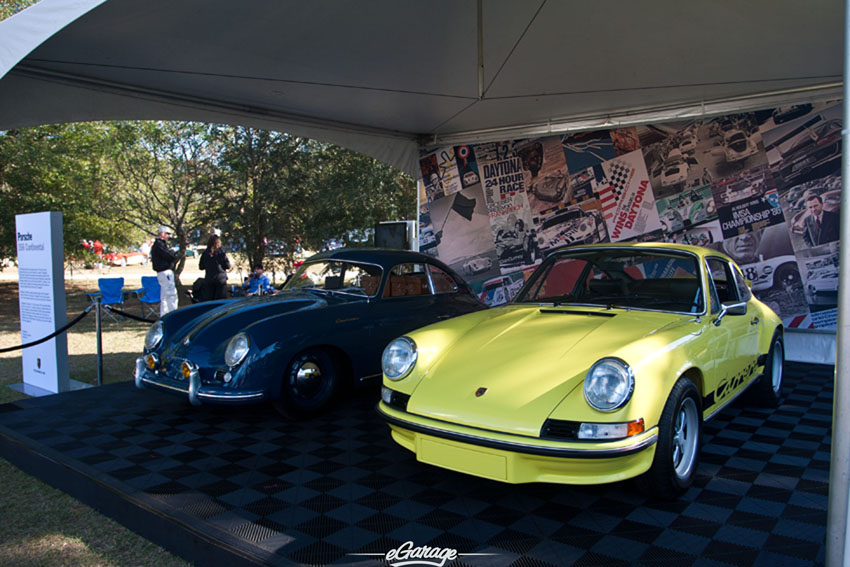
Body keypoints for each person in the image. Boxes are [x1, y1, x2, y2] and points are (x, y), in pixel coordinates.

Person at [150, 225, 178, 315]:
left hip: (164, 272)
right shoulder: (159, 245)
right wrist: (173, 254)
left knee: (166, 294)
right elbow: (170, 256)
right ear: (162, 234)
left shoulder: (161, 245)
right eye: (167, 234)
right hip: (164, 272)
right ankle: (170, 313)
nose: (169, 236)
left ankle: (168, 313)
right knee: (170, 294)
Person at [199, 234, 230, 300]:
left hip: (209, 279)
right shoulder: (221, 252)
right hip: (220, 279)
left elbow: (201, 266)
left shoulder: (205, 253)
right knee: (220, 300)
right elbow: (227, 265)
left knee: (210, 300)